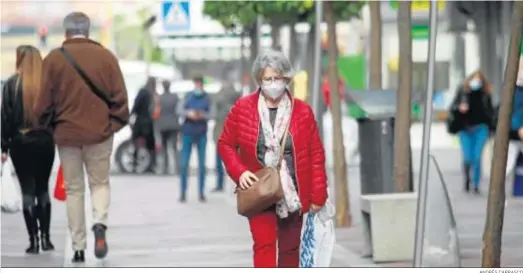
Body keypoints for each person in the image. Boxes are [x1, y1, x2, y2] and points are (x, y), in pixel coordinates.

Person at [217, 49, 328, 268]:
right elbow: (225, 144)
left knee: (289, 250)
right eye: (268, 78)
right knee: (264, 245)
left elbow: (316, 154)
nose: (273, 83)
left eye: (278, 78)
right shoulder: (243, 108)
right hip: (259, 191)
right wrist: (239, 172)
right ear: (259, 79)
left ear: (286, 78)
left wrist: (318, 195)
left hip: (293, 193)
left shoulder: (303, 111)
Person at [35, 12, 129, 263]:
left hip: (67, 136)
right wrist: (111, 126)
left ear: (66, 33)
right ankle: (99, 224)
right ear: (88, 31)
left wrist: (48, 127)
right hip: (100, 134)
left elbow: (43, 103)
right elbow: (120, 99)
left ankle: (78, 246)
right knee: (99, 183)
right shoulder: (106, 57)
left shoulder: (54, 59)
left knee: (74, 190)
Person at [1, 45, 56, 254]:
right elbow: (56, 114)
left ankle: (32, 241)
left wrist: (4, 146)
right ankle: (46, 238)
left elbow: (4, 118)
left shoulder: (12, 85)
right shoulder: (48, 84)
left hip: (20, 142)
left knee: (27, 191)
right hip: (44, 140)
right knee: (43, 189)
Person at [449, 71, 494, 194]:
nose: (476, 83)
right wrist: (460, 108)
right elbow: (452, 108)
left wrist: (491, 128)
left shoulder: (485, 94)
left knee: (477, 156)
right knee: (468, 157)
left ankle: (476, 184)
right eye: (474, 79)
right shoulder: (463, 92)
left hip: (481, 129)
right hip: (465, 129)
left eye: (479, 80)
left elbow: (491, 112)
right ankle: (467, 178)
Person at [177, 76, 212, 202]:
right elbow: (179, 110)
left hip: (201, 133)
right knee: (184, 164)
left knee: (202, 165)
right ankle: (183, 192)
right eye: (196, 84)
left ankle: (201, 193)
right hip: (188, 133)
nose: (198, 87)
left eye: (199, 84)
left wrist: (202, 115)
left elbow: (212, 114)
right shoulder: (187, 96)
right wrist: (189, 113)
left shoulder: (207, 98)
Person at [212, 80, 241, 192]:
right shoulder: (237, 102)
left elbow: (214, 114)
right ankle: (239, 182)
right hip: (231, 134)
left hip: (221, 134)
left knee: (220, 160)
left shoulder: (219, 97)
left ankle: (220, 184)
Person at [131, 77, 157, 173]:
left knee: (136, 143)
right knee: (150, 144)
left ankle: (135, 163)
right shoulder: (152, 93)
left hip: (140, 121)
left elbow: (136, 105)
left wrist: (131, 115)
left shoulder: (143, 92)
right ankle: (151, 165)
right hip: (148, 122)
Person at [158, 79, 181, 175]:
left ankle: (165, 168)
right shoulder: (175, 97)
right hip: (173, 125)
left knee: (164, 148)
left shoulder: (159, 98)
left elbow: (154, 111)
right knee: (174, 147)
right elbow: (179, 110)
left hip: (162, 125)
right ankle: (177, 168)